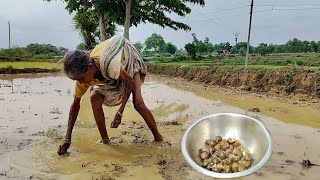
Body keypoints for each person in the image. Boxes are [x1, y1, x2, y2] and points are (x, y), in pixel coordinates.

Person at [57, 35, 163, 155]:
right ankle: (105, 141)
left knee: (138, 103)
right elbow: (75, 106)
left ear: (90, 68)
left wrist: (120, 112)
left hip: (126, 56)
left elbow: (129, 82)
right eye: (77, 80)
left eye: (81, 79)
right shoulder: (83, 78)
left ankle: (158, 138)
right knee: (94, 98)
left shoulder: (109, 63)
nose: (81, 83)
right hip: (108, 70)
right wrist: (67, 138)